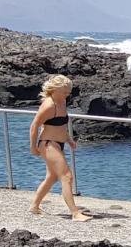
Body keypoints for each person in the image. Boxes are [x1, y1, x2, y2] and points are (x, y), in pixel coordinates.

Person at [28, 74, 91, 221]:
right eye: (64, 91)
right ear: (55, 89)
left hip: (59, 143)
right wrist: (33, 147)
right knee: (67, 176)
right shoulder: (49, 105)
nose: (67, 94)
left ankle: (34, 206)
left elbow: (61, 125)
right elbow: (34, 126)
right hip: (48, 144)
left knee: (52, 177)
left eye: (69, 91)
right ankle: (75, 213)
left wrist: (69, 140)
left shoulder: (62, 102)